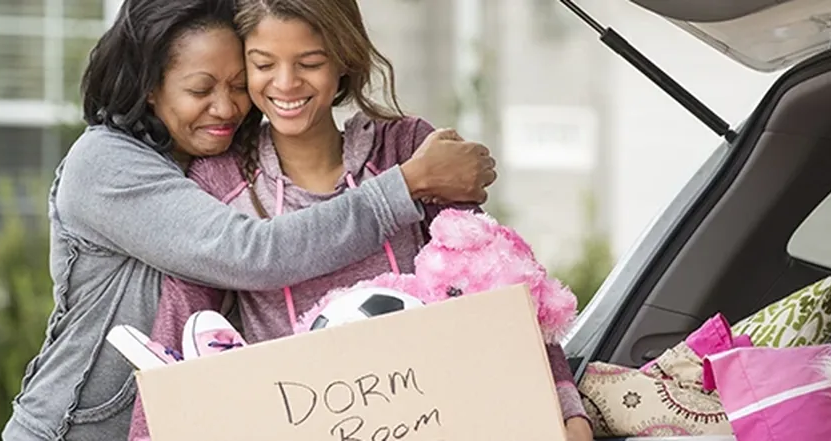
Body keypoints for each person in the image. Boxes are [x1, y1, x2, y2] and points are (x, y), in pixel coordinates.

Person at [1, 0, 497, 439]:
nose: (227, 107)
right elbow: (252, 253)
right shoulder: (105, 164)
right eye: (200, 89)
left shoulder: (214, 165)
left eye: (238, 84)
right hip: (70, 430)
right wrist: (406, 185)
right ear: (149, 88)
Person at [125, 1, 595, 440]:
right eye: (264, 64)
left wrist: (563, 403)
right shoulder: (220, 179)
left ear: (343, 59)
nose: (286, 83)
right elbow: (178, 329)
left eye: (309, 63)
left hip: (439, 420)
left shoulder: (405, 149)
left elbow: (496, 279)